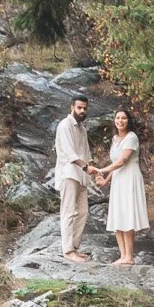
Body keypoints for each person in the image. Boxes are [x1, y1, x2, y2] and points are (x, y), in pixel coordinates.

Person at [92, 105, 149, 268]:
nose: (120, 121)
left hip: (130, 178)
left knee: (128, 215)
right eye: (117, 118)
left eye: (123, 118)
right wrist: (105, 180)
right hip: (118, 179)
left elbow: (123, 160)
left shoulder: (131, 137)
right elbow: (115, 164)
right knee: (117, 215)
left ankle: (129, 256)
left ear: (128, 121)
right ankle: (122, 255)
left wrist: (101, 170)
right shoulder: (115, 139)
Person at [53, 93, 95, 262]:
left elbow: (87, 153)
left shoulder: (82, 129)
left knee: (83, 211)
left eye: (85, 108)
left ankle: (75, 247)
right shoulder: (64, 126)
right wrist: (85, 166)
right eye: (79, 108)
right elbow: (70, 153)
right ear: (72, 108)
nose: (82, 111)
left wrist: (94, 169)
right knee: (68, 211)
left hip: (81, 175)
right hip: (69, 174)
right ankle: (67, 250)